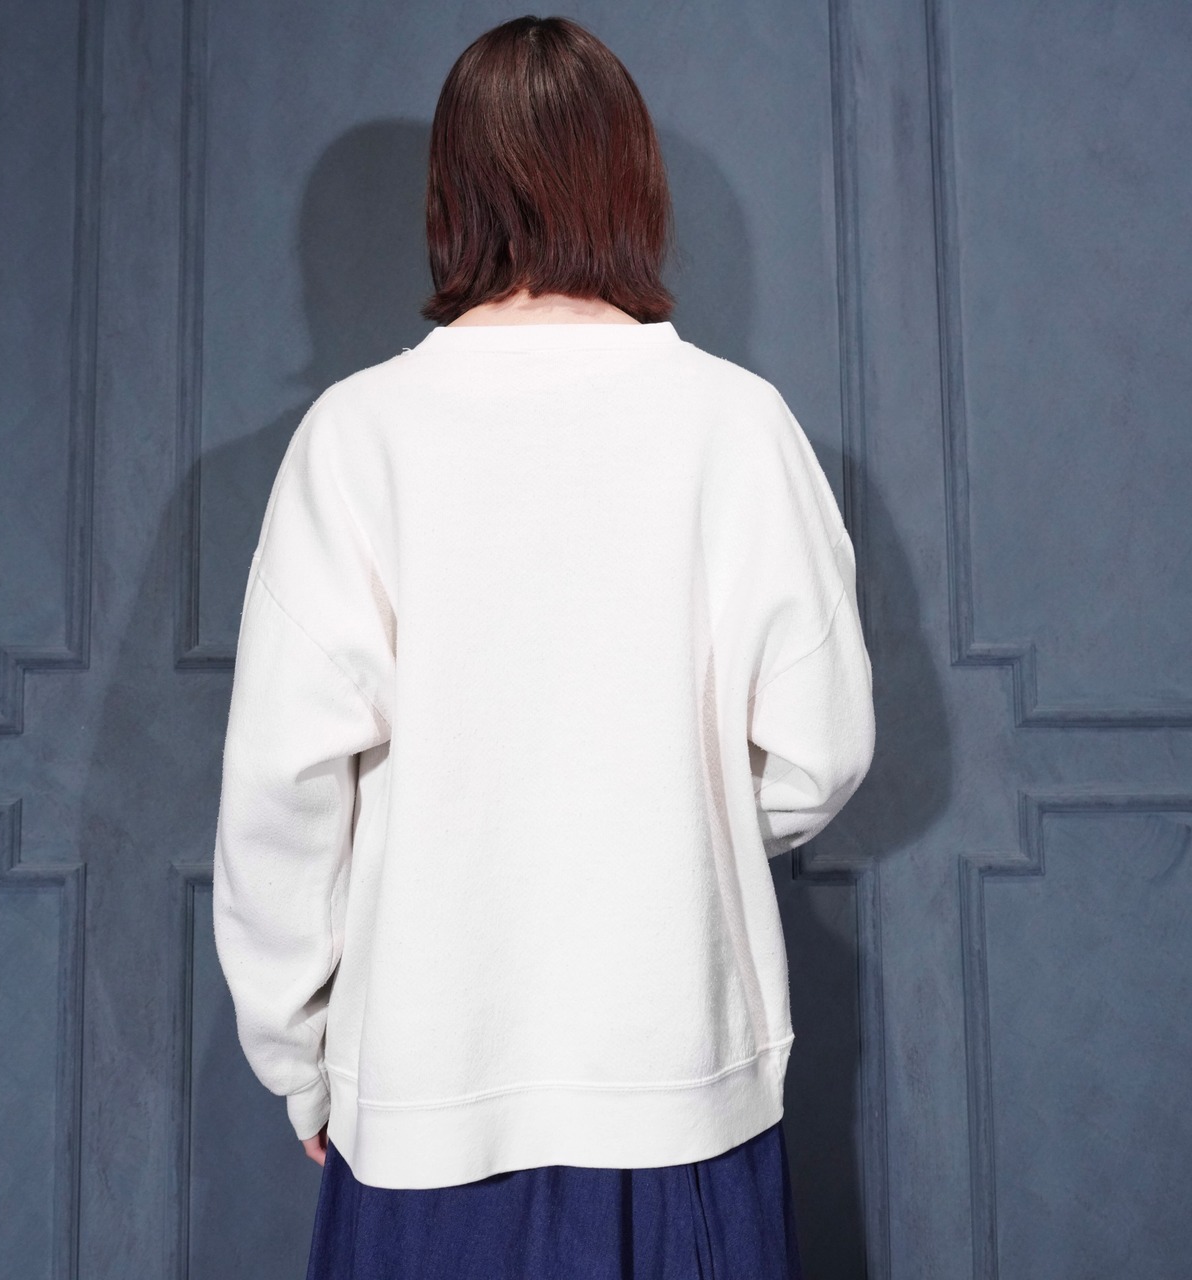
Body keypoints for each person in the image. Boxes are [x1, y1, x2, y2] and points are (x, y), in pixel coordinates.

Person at [211, 13, 875, 1279]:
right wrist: (678, 830)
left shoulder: (356, 438)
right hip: (682, 1083)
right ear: (631, 182)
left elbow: (281, 800)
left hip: (426, 1098)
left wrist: (298, 1057)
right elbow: (819, 750)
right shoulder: (738, 427)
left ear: (451, 194)